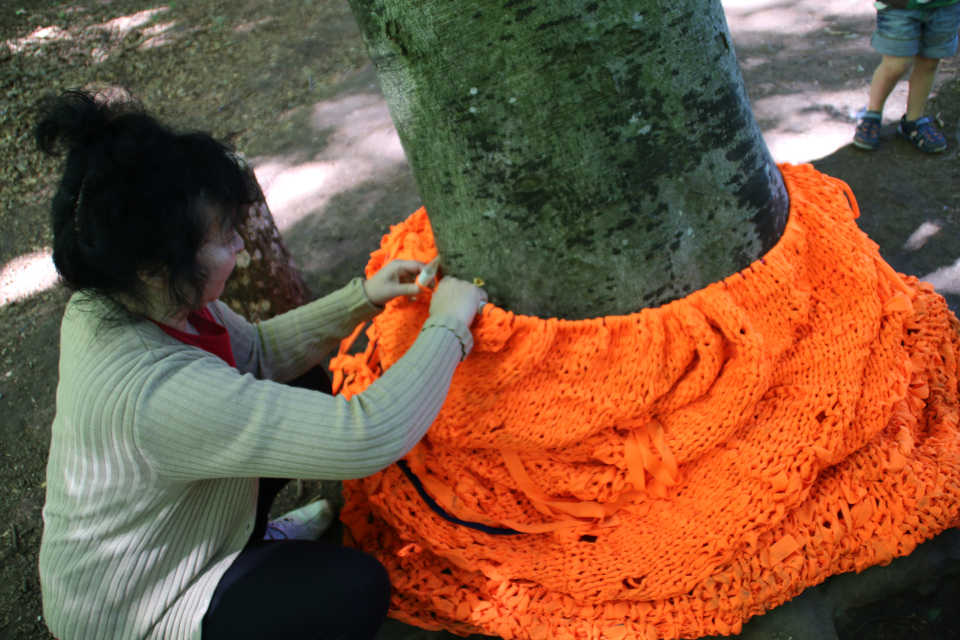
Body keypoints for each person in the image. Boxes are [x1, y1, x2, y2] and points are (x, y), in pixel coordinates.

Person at [34, 89, 487, 640]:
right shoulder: (157, 395)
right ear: (157, 267)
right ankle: (241, 569)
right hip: (136, 610)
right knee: (352, 589)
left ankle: (248, 541)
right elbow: (364, 437)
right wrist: (449, 326)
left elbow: (260, 354)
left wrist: (363, 297)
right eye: (222, 238)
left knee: (307, 379)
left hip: (177, 537)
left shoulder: (126, 295)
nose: (240, 246)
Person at [853, 0, 960, 153]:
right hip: (900, 6)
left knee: (930, 61)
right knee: (896, 64)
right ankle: (872, 114)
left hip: (945, 6)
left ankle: (913, 121)